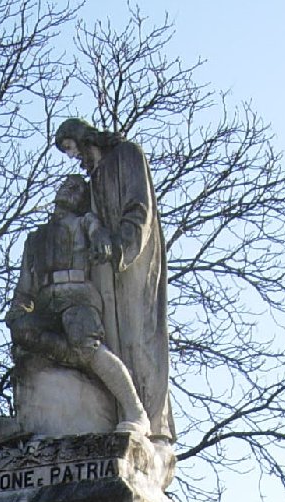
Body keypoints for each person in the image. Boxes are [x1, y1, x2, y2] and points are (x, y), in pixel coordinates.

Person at [53, 118, 174, 445]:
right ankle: (126, 415)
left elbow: (139, 209)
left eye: (72, 148)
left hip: (131, 264)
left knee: (139, 337)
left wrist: (120, 246)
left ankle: (153, 426)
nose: (74, 157)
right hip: (104, 268)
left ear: (83, 137)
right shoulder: (94, 179)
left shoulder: (127, 155)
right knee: (112, 340)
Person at [7, 174, 150, 434]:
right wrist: (18, 309)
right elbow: (25, 283)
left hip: (78, 294)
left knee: (86, 343)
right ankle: (28, 419)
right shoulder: (35, 237)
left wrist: (103, 244)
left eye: (77, 189)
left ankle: (134, 410)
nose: (69, 190)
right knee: (24, 332)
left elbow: (101, 240)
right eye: (66, 186)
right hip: (45, 300)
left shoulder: (86, 222)